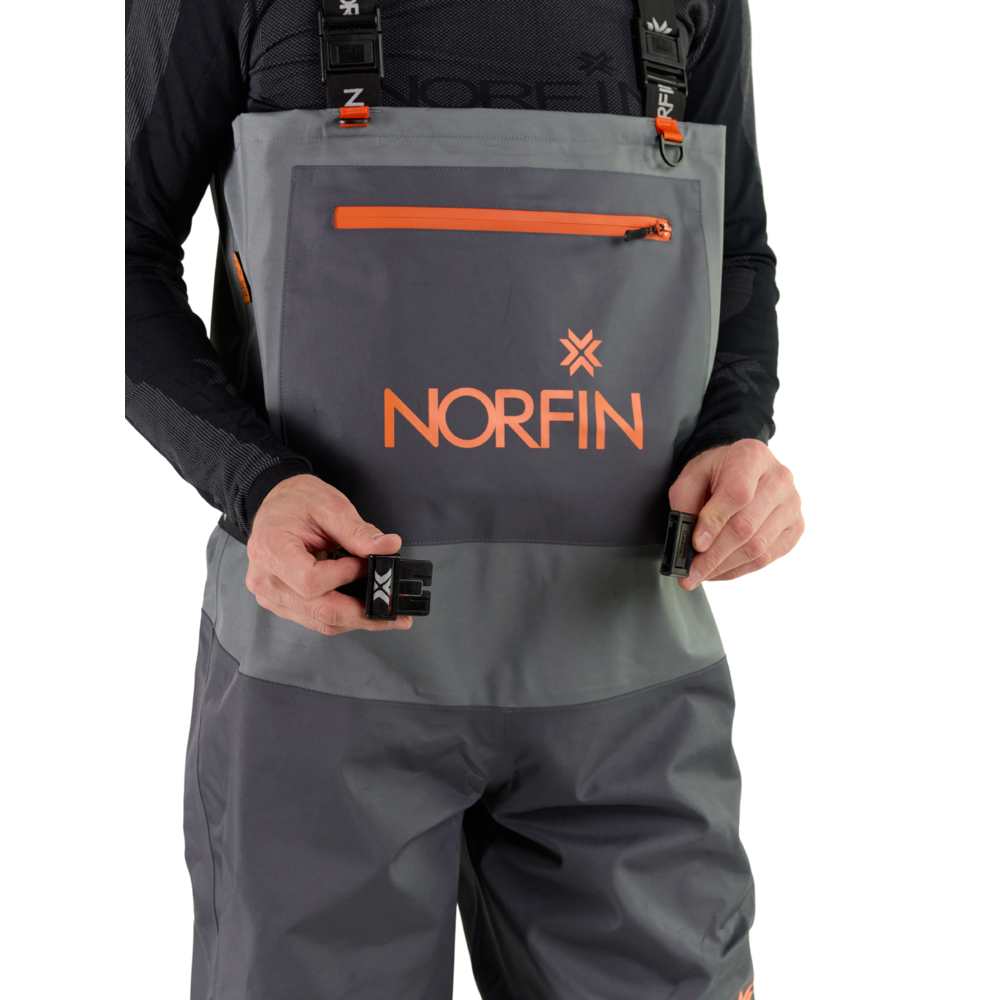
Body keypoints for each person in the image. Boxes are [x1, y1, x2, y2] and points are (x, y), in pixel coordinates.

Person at [126, 1, 804, 997]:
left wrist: (738, 438)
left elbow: (735, 250)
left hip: (630, 699)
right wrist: (253, 484)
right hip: (324, 687)